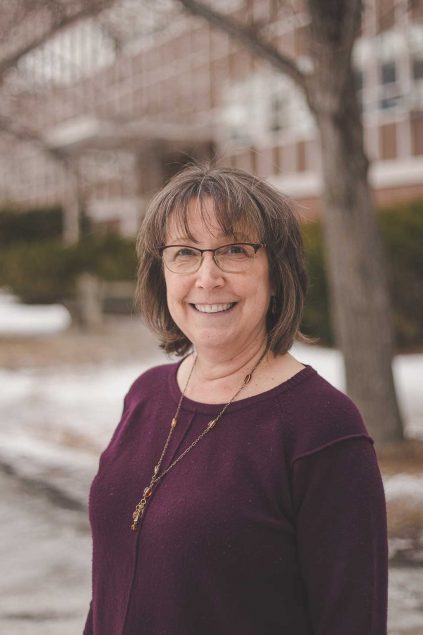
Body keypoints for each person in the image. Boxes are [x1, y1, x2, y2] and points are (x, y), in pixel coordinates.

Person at [84, 164, 388, 635]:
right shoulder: (144, 395)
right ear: (160, 272)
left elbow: (351, 620)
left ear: (276, 273)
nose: (207, 277)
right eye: (184, 253)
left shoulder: (322, 425)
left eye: (233, 251)